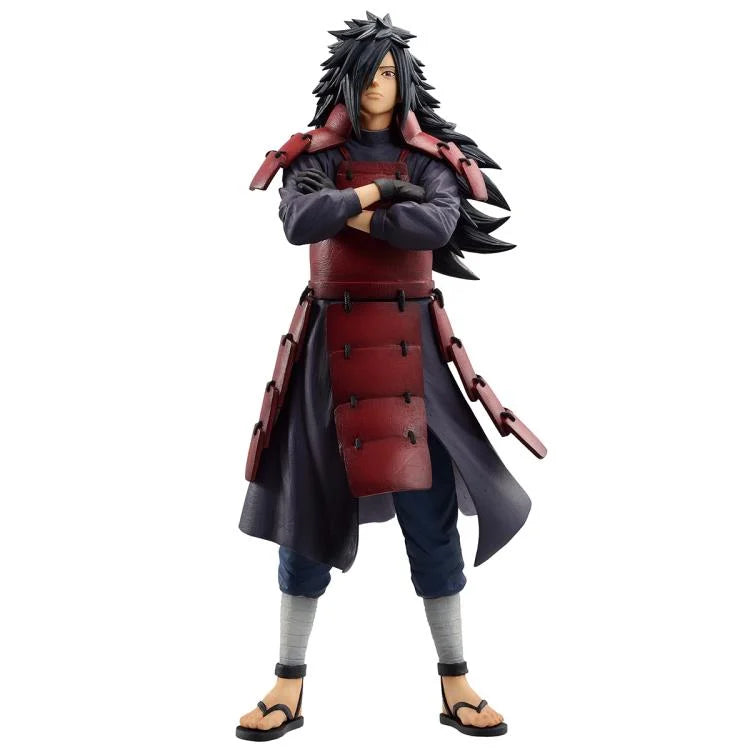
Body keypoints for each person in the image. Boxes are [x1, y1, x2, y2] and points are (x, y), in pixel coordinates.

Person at [236, 12, 544, 741]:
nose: (378, 85)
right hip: (326, 353)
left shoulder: (430, 159)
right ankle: (287, 683)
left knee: (431, 518)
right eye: (368, 72)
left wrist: (347, 214)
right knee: (305, 518)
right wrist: (377, 197)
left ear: (403, 81)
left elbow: (435, 227)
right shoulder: (311, 154)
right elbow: (299, 220)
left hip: (414, 353)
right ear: (347, 78)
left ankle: (456, 680)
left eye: (388, 73)